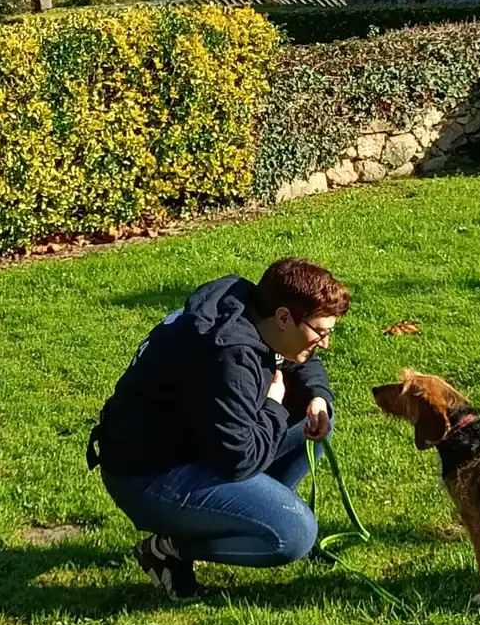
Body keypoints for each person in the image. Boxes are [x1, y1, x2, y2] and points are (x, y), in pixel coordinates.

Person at [87, 257, 350, 599]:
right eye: (321, 332)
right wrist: (273, 408)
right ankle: (169, 549)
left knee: (314, 418)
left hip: (195, 446)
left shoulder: (249, 306)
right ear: (284, 318)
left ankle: (249, 513)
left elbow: (300, 360)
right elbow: (240, 459)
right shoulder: (229, 356)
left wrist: (317, 395)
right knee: (293, 535)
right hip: (147, 476)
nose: (325, 343)